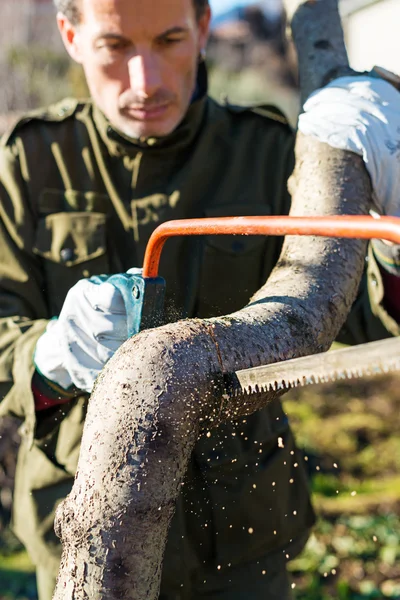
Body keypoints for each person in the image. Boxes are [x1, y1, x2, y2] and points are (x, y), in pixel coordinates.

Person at [0, 0, 399, 598]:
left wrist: (390, 228)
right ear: (71, 34)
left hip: (240, 539)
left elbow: (365, 320)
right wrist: (50, 353)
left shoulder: (267, 153)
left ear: (204, 26)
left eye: (168, 40)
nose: (146, 81)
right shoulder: (28, 163)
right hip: (78, 539)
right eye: (114, 46)